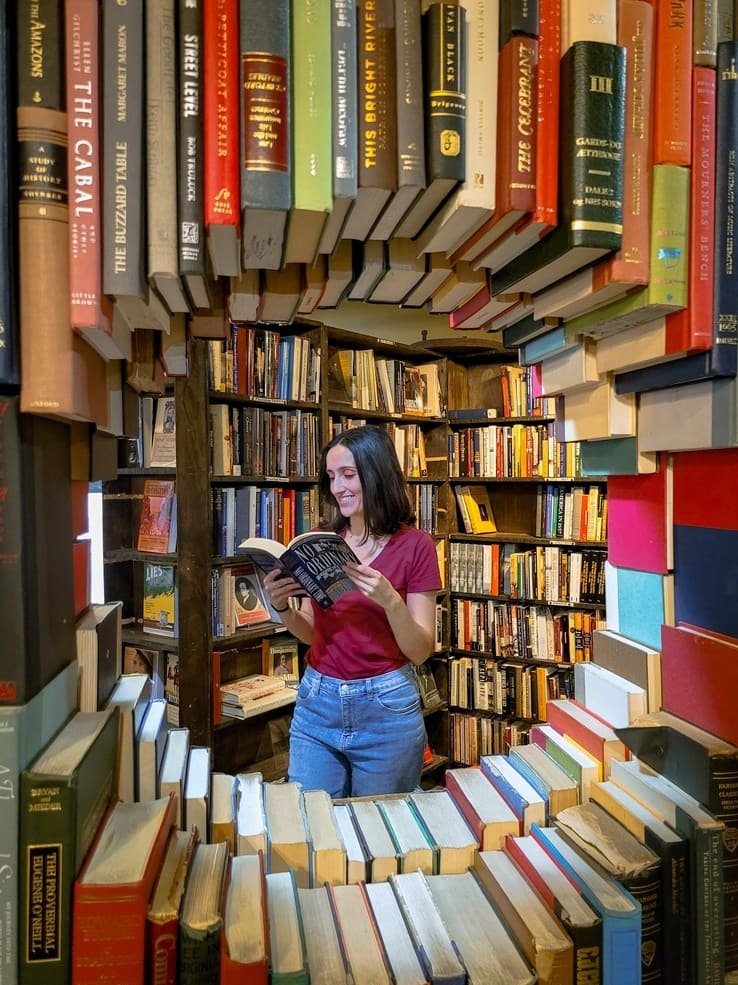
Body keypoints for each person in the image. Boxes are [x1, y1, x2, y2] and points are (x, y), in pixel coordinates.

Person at [262, 425, 441, 798]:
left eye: (348, 474)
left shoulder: (416, 547)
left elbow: (421, 650)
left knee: (378, 836)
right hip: (317, 703)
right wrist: (282, 608)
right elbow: (312, 630)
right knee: (313, 825)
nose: (337, 487)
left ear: (376, 473)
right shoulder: (322, 542)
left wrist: (390, 600)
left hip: (386, 708)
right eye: (331, 477)